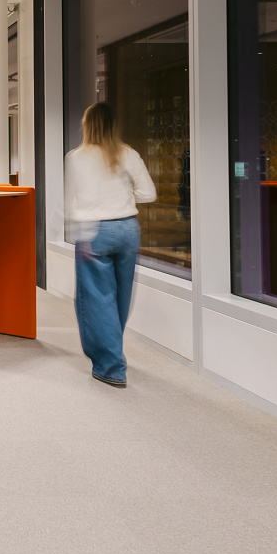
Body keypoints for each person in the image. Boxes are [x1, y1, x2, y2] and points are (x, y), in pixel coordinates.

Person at [65, 102, 156, 388]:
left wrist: (75, 230)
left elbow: (73, 202)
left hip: (95, 233)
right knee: (120, 297)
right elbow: (148, 194)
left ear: (88, 125)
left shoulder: (77, 157)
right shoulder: (129, 153)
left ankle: (111, 367)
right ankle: (113, 352)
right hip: (129, 229)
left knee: (96, 299)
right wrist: (122, 197)